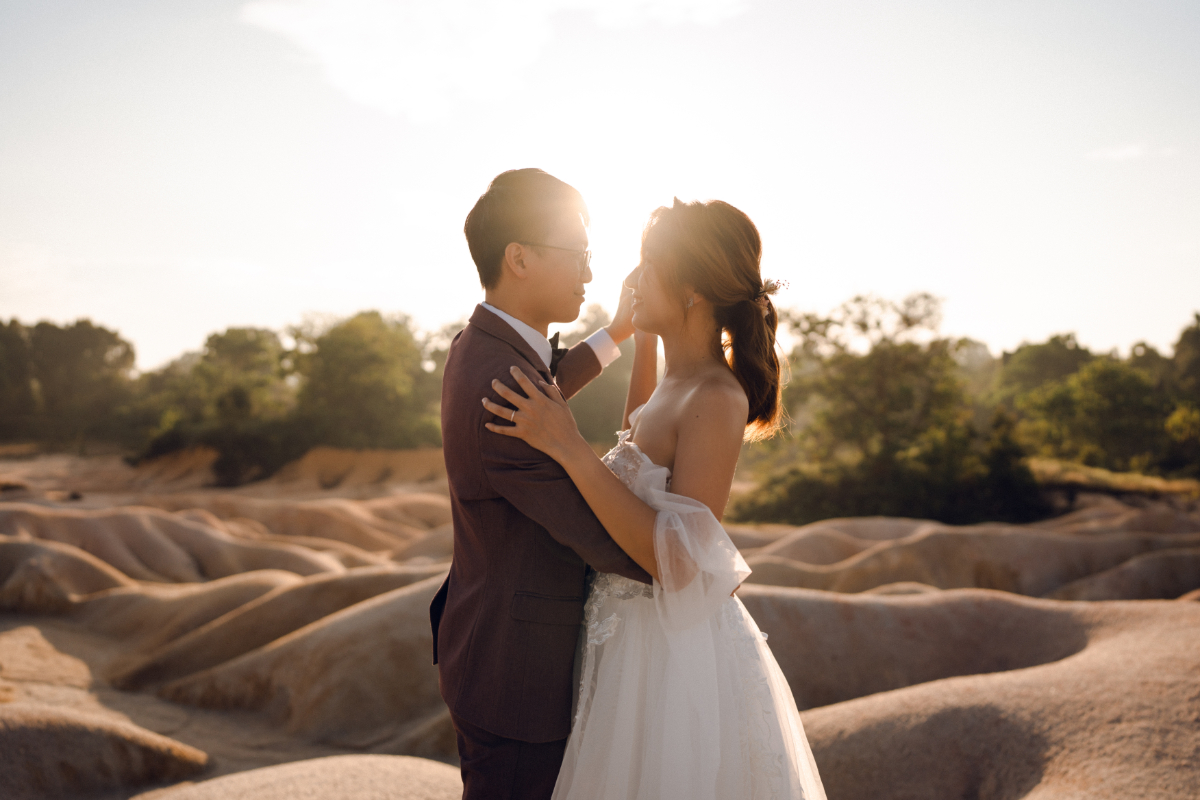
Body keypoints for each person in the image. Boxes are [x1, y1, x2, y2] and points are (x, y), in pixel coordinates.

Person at [481, 198, 827, 799]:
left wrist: (568, 447)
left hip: (669, 658)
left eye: (648, 264)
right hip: (626, 637)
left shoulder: (717, 396)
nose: (632, 279)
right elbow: (635, 447)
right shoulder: (676, 378)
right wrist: (640, 340)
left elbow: (685, 561)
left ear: (692, 288)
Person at [431, 168, 652, 800]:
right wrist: (676, 558)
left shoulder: (485, 347)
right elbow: (615, 547)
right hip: (516, 676)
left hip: (486, 639)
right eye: (579, 255)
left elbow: (545, 378)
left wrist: (619, 332)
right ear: (519, 258)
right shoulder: (504, 383)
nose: (589, 273)